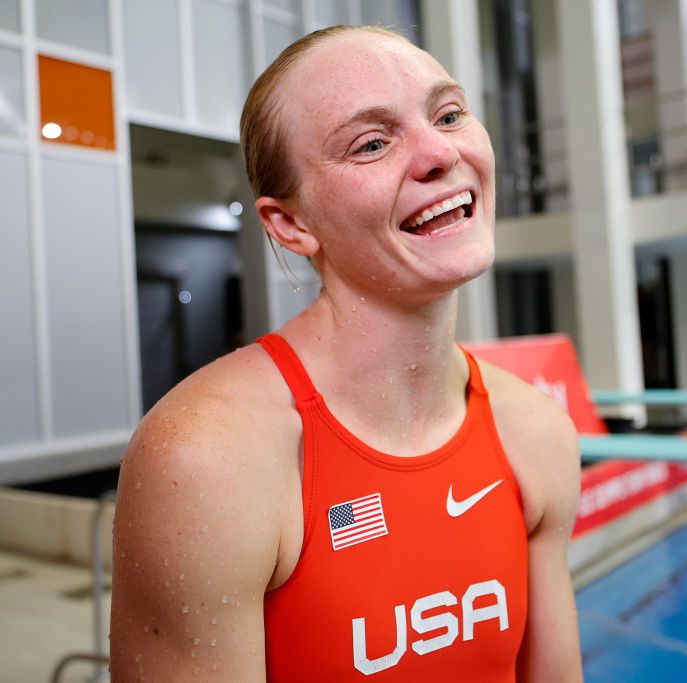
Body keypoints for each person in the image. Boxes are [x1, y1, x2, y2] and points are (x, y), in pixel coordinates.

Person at [110, 25, 583, 682]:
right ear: (291, 224)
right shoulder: (208, 458)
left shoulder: (534, 433)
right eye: (371, 143)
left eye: (447, 114)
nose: (439, 152)